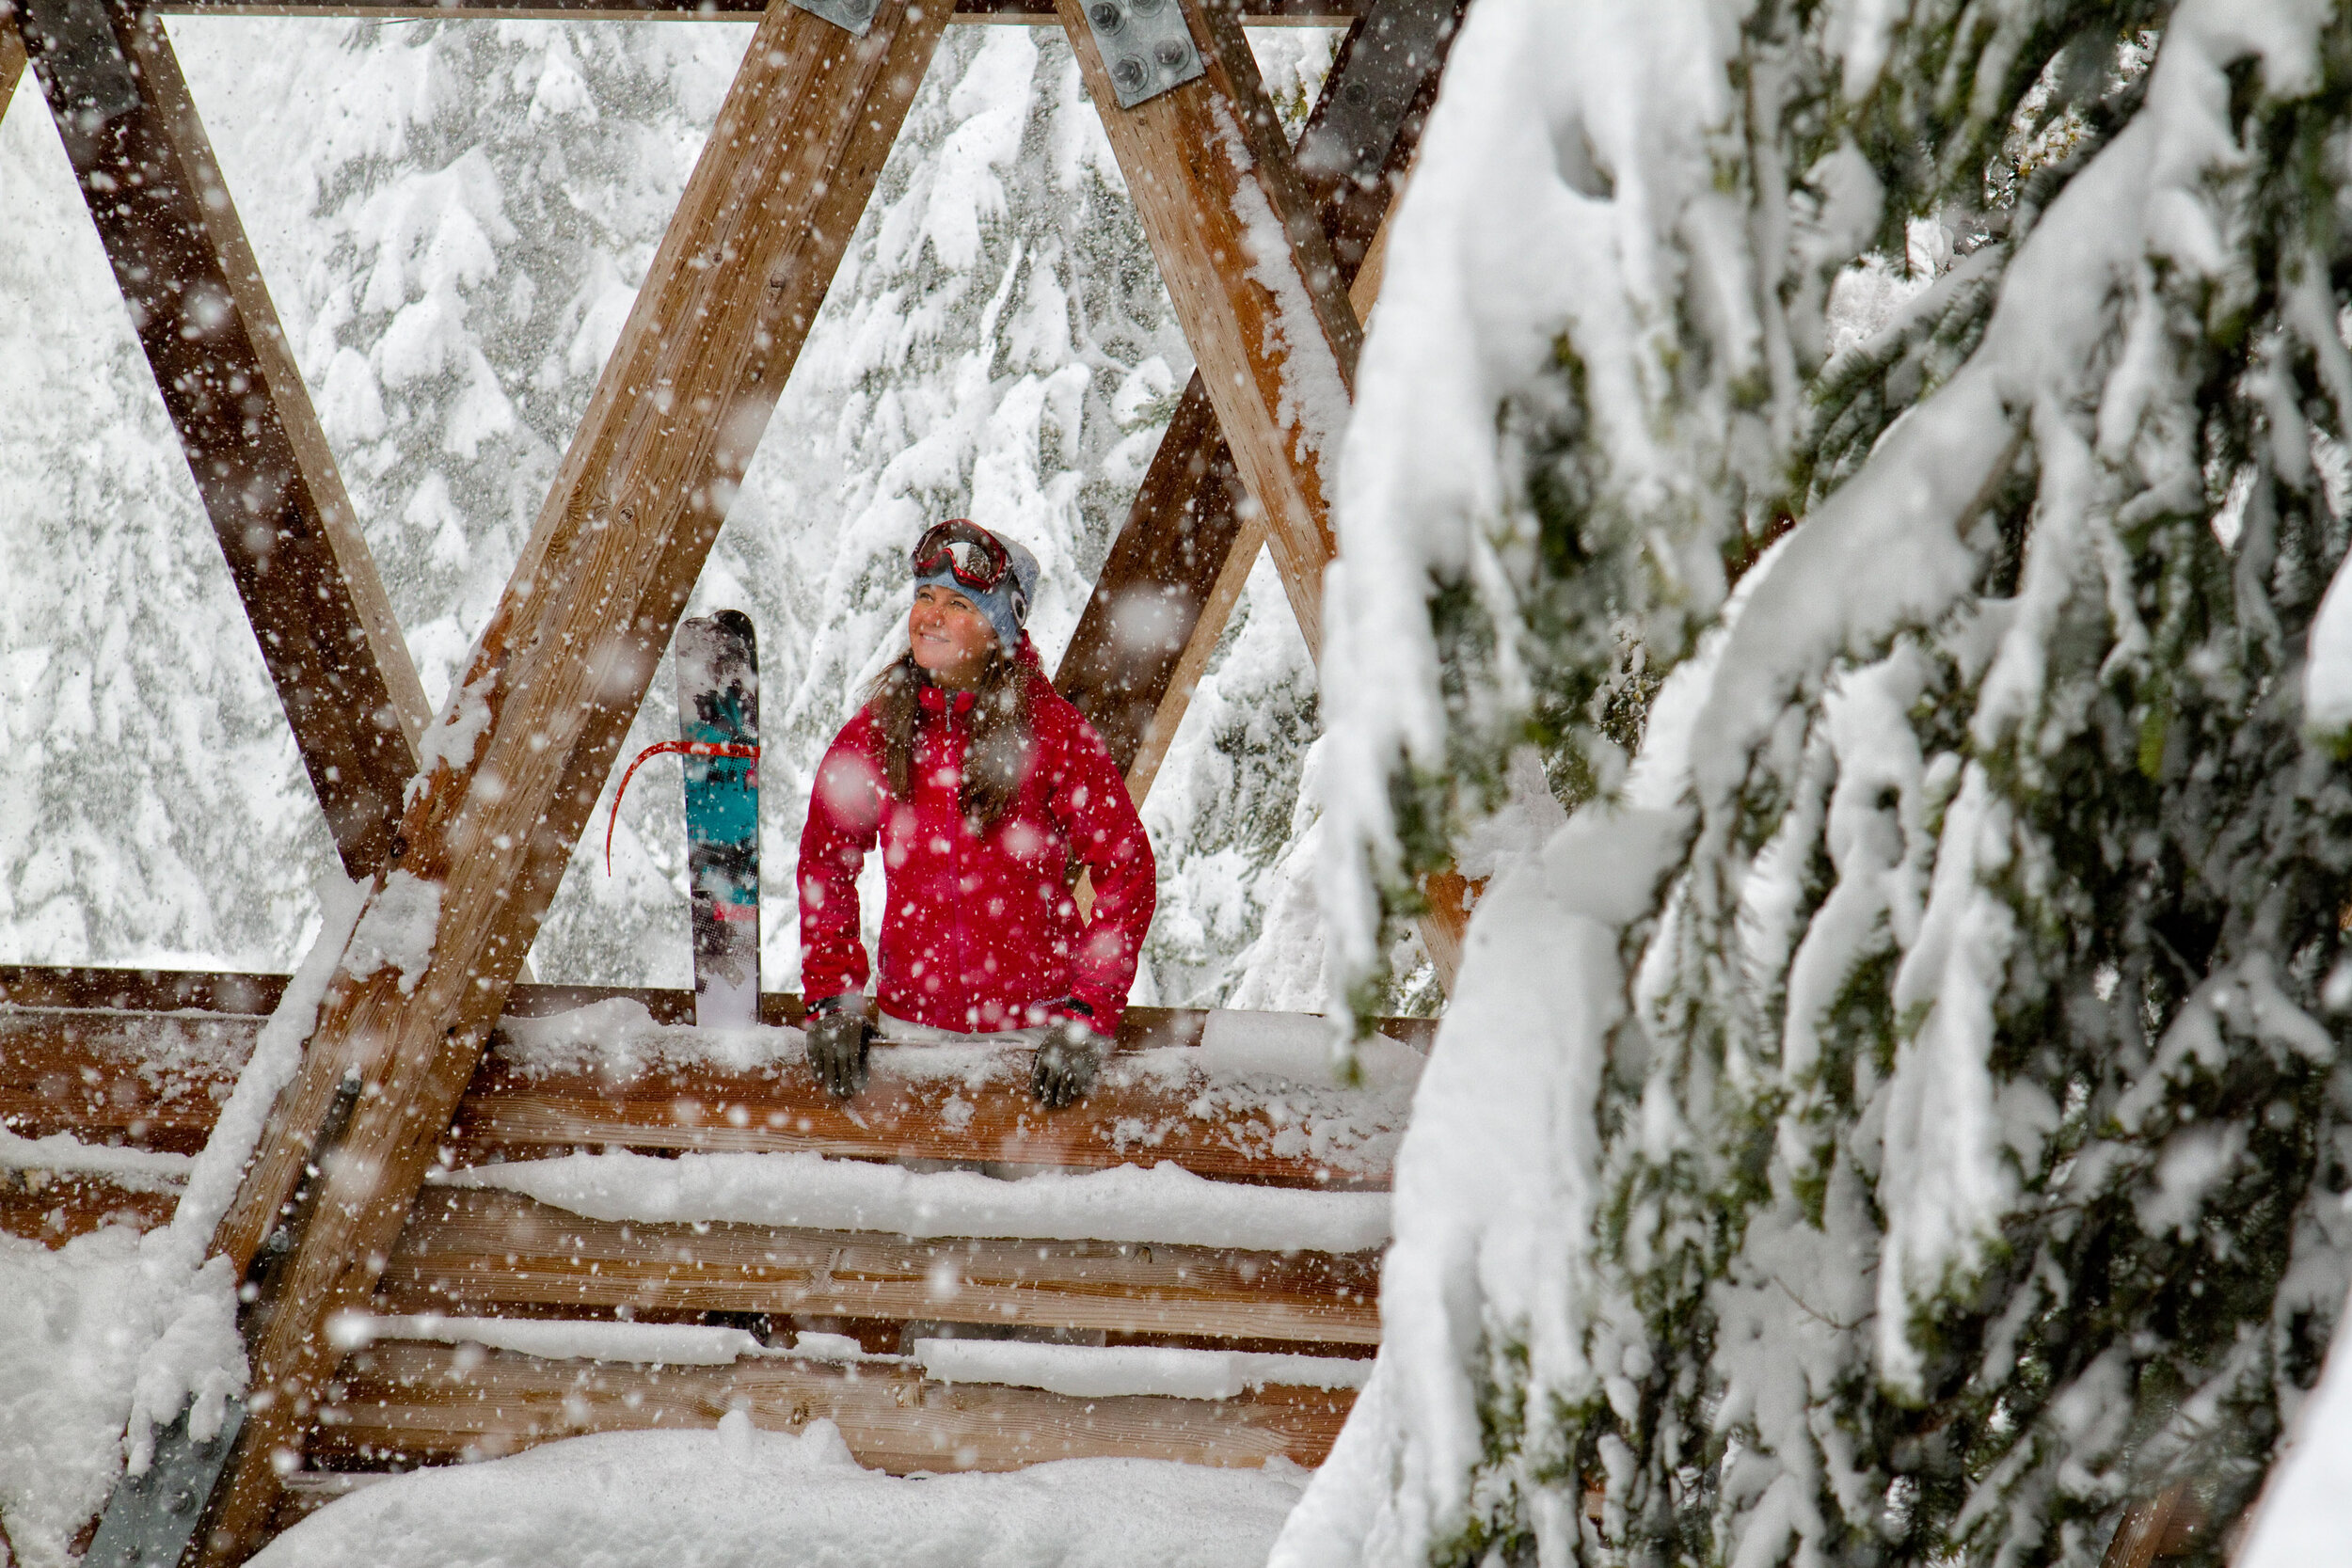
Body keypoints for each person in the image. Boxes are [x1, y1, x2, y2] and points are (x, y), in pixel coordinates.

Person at [796, 519, 1157, 1106]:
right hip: (908, 1042)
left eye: (958, 603)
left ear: (1000, 629)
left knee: (1028, 1202)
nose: (930, 616)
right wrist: (834, 998)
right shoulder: (879, 730)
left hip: (1032, 1046)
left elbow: (1128, 873)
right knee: (915, 1201)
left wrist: (1088, 1019)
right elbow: (824, 865)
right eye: (924, 597)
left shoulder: (1052, 734)